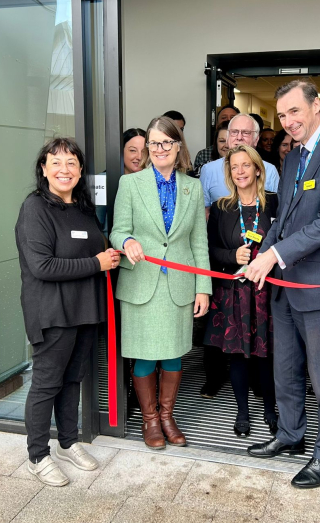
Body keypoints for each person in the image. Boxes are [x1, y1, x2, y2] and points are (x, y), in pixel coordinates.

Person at [244, 79, 320, 489]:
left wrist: (275, 255)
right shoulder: (292, 157)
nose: (288, 121)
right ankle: (290, 435)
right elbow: (283, 219)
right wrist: (263, 255)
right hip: (284, 282)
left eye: (295, 111)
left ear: (316, 108)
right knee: (286, 369)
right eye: (282, 115)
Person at [16, 138, 120, 486]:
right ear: (43, 169)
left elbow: (94, 251)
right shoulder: (34, 208)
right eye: (56, 163)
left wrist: (109, 256)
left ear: (80, 171)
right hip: (52, 311)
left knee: (73, 378)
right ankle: (37, 455)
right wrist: (96, 262)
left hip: (85, 309)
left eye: (72, 163)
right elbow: (42, 265)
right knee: (46, 383)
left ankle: (67, 442)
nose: (65, 169)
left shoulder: (83, 208)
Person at [110, 116, 212, 450]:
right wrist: (127, 242)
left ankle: (168, 416)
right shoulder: (131, 184)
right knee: (142, 356)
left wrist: (203, 287)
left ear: (178, 145)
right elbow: (117, 229)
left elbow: (199, 242)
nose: (160, 149)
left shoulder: (192, 187)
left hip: (179, 285)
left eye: (167, 142)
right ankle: (150, 419)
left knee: (172, 355)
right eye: (154, 143)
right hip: (141, 283)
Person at [205, 145, 279, 437]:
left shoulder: (275, 203)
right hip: (234, 292)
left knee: (268, 354)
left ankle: (271, 409)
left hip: (268, 292)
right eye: (234, 167)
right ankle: (242, 413)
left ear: (258, 169)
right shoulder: (222, 208)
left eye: (246, 165)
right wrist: (231, 256)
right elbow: (210, 250)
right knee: (237, 354)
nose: (240, 172)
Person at [199, 113, 280, 213]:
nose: (239, 137)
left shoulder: (270, 170)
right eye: (234, 132)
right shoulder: (209, 170)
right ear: (228, 138)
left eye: (246, 132)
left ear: (256, 139)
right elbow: (203, 212)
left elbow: (277, 210)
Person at [192, 104, 240, 176]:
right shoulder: (205, 167)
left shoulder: (245, 167)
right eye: (222, 141)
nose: (226, 145)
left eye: (233, 119)